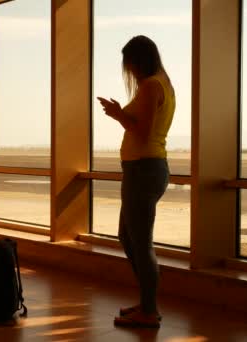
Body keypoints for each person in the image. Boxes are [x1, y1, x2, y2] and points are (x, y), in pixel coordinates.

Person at [97, 35, 175, 329]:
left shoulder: (152, 85)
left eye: (128, 62)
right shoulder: (158, 83)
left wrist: (118, 114)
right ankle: (145, 302)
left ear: (139, 60)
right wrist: (121, 113)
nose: (127, 68)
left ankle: (150, 309)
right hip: (142, 170)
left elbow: (142, 133)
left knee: (140, 243)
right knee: (128, 237)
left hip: (144, 170)